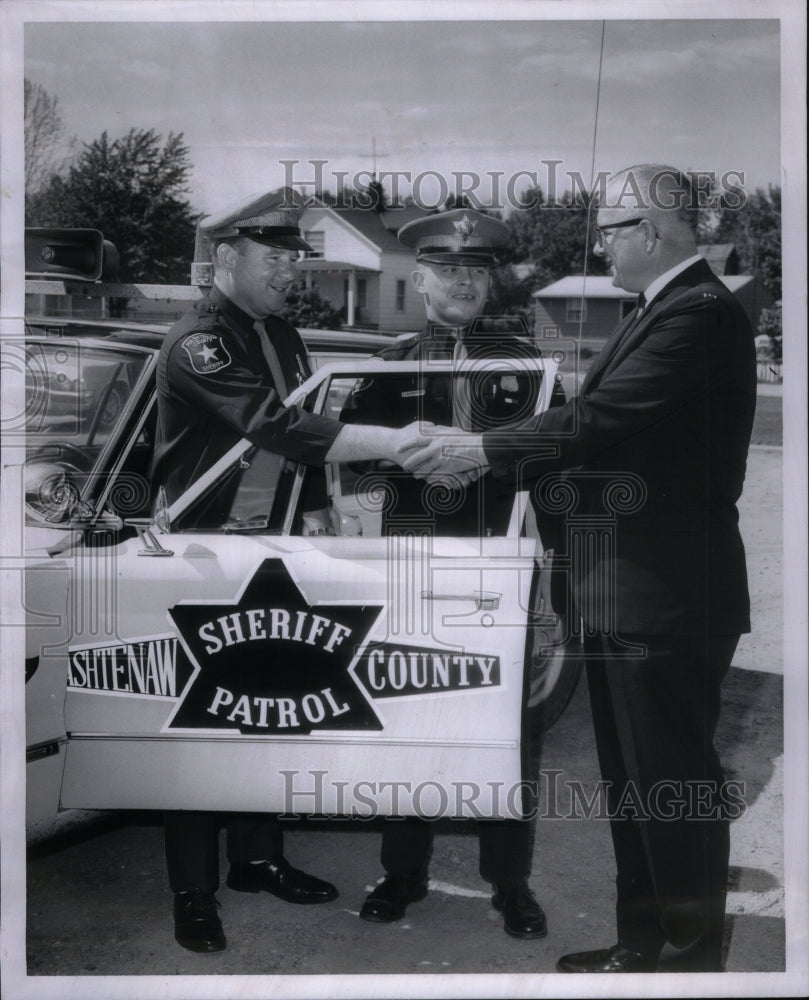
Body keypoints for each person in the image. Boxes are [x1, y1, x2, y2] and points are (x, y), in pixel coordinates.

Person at [400, 165, 757, 972]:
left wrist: (479, 449)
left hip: (661, 597)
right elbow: (604, 441)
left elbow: (597, 420)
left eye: (608, 228)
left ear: (651, 233)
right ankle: (643, 942)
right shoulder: (665, 307)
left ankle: (690, 961)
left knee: (671, 788)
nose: (597, 243)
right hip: (626, 591)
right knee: (636, 785)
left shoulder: (698, 313)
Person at [150, 188, 426, 953]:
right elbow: (278, 426)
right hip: (207, 554)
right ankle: (192, 892)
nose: (288, 271)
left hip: (272, 547)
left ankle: (257, 859)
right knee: (200, 725)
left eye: (294, 258)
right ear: (228, 259)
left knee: (266, 706)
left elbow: (301, 425)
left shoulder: (281, 333)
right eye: (274, 258)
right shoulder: (200, 341)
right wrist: (394, 442)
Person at [344, 208, 561, 940]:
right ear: (420, 278)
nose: (464, 282)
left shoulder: (530, 369)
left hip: (501, 572)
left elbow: (558, 474)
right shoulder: (388, 366)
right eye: (449, 270)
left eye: (476, 270)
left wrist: (551, 590)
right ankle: (402, 871)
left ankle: (510, 884)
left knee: (508, 734)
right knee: (408, 720)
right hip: (411, 572)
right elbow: (349, 475)